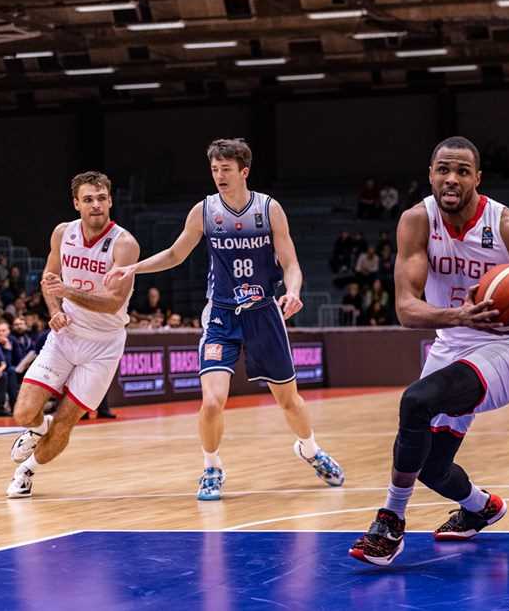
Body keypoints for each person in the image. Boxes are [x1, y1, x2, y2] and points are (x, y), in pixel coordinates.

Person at [348, 136, 509, 567]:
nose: (451, 179)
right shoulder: (415, 221)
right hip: (451, 343)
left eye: (462, 171)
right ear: (430, 175)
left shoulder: (508, 225)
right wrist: (459, 317)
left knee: (415, 401)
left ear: (477, 179)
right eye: (443, 169)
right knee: (429, 467)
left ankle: (390, 520)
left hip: (505, 352)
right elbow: (406, 310)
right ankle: (481, 506)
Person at [106, 138, 343, 500]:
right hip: (221, 315)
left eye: (226, 169)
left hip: (264, 313)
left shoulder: (268, 209)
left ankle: (309, 449)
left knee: (289, 401)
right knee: (213, 400)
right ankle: (212, 468)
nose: (219, 175)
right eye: (214, 169)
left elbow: (291, 263)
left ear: (243, 171)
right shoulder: (204, 211)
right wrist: (133, 269)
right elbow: (175, 253)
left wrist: (293, 291)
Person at [7, 172, 139, 498]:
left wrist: (68, 291)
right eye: (89, 199)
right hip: (65, 336)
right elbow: (50, 278)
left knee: (66, 421)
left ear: (110, 201)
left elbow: (113, 303)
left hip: (103, 346)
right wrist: (55, 310)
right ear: (76, 203)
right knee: (23, 413)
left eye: (102, 198)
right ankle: (38, 428)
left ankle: (26, 472)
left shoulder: (124, 244)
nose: (96, 205)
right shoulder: (62, 233)